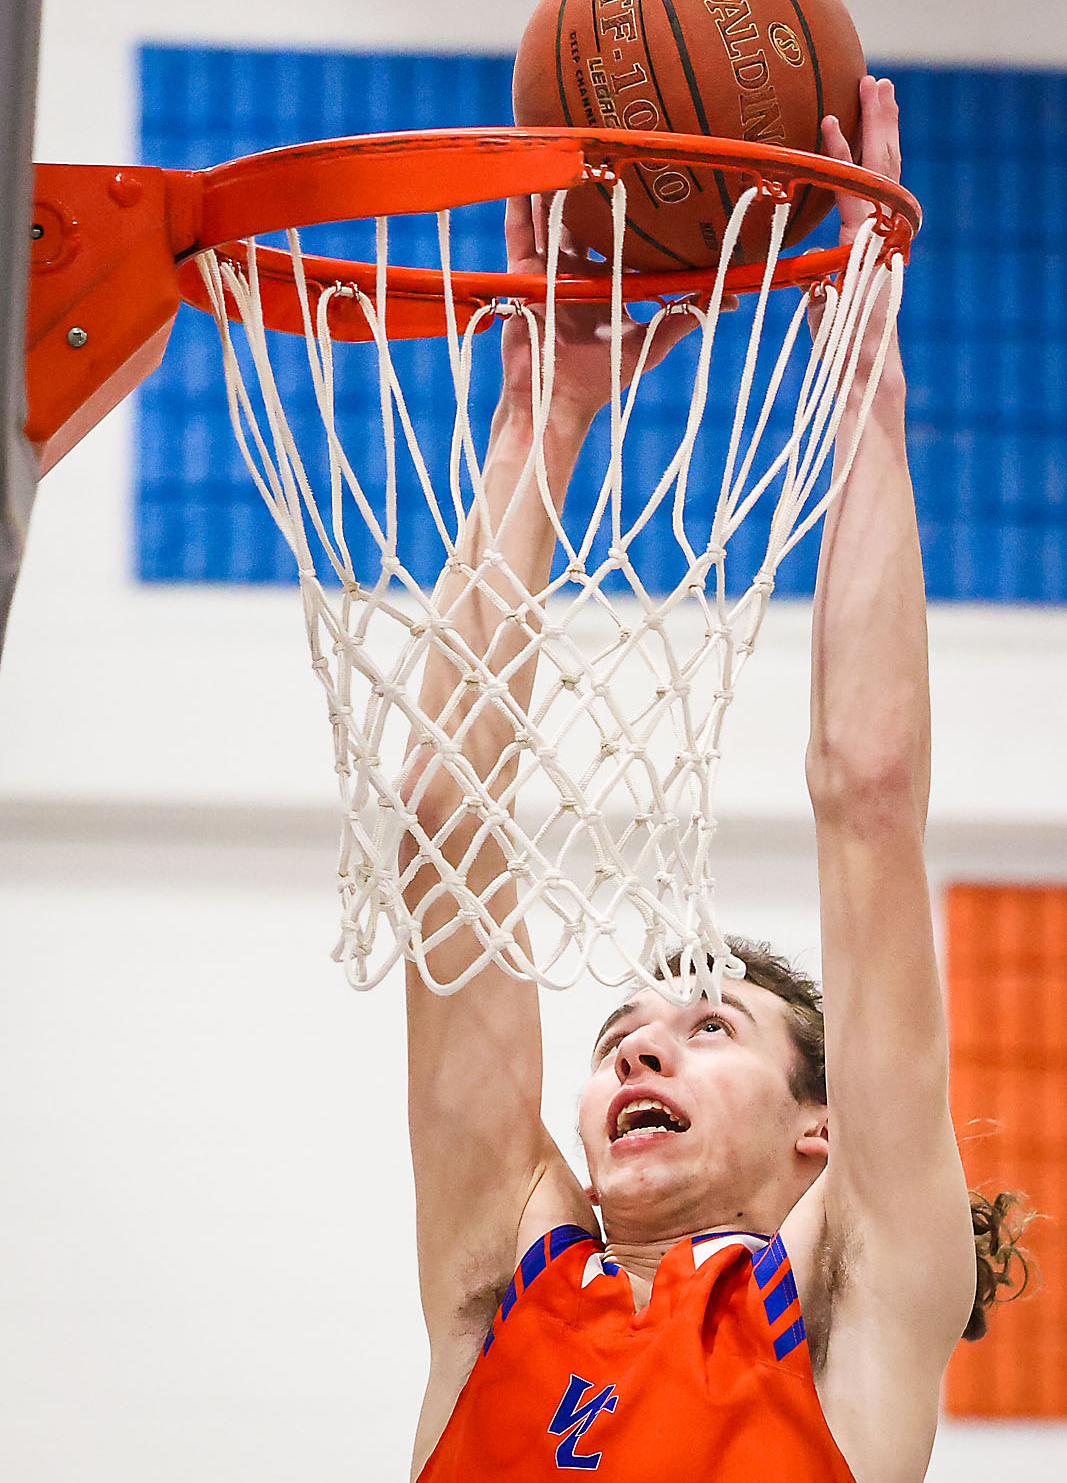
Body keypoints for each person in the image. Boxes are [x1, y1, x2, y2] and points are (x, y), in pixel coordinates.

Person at [399, 77, 1028, 1482]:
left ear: (825, 1131)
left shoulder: (853, 1314)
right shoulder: (503, 1294)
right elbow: (444, 822)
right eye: (632, 1030)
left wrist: (863, 383)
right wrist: (545, 413)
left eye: (707, 1031)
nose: (638, 1049)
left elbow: (867, 789)